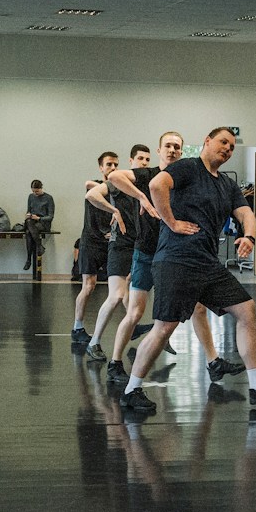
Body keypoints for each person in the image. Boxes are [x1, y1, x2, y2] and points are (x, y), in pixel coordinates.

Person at [120, 128, 256, 415]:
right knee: (164, 327)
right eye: (223, 142)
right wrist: (171, 223)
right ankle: (131, 389)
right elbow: (158, 185)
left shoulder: (226, 185)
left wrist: (249, 236)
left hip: (207, 263)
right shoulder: (187, 167)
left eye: (232, 146)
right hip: (176, 259)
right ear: (207, 142)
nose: (228, 149)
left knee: (246, 309)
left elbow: (245, 213)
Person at [103, 132, 232, 382]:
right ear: (159, 150)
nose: (172, 150)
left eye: (177, 147)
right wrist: (142, 196)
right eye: (168, 146)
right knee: (135, 312)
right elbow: (114, 176)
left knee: (198, 308)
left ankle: (213, 361)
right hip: (147, 254)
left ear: (181, 152)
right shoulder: (147, 175)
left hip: (176, 257)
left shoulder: (186, 176)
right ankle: (115, 362)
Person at [86, 145, 148, 362]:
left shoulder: (146, 184)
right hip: (119, 246)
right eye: (140, 158)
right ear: (131, 161)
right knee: (117, 296)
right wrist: (115, 211)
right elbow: (91, 192)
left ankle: (144, 331)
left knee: (132, 296)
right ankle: (94, 343)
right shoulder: (116, 182)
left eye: (147, 159)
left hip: (138, 247)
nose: (144, 163)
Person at [72, 151, 117, 343]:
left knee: (123, 284)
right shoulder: (94, 184)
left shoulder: (120, 190)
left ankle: (132, 325)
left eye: (116, 165)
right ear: (101, 168)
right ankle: (78, 327)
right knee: (88, 286)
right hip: (90, 242)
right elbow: (88, 186)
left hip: (110, 245)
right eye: (109, 165)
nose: (113, 168)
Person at [23, 180, 55, 273]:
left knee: (28, 231)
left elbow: (50, 217)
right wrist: (28, 215)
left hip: (43, 222)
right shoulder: (31, 197)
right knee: (29, 226)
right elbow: (28, 210)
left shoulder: (48, 198)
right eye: (33, 191)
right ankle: (39, 246)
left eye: (36, 191)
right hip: (32, 222)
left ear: (41, 188)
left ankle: (29, 259)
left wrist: (39, 218)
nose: (35, 193)